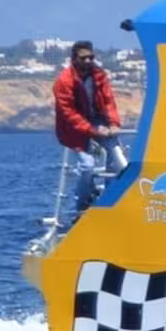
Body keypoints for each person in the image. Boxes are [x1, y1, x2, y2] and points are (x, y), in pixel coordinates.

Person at [53, 40, 126, 217]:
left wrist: (114, 123)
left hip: (97, 120)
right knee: (87, 165)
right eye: (83, 58)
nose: (88, 61)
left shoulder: (98, 75)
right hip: (73, 129)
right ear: (74, 58)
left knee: (116, 155)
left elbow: (108, 100)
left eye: (91, 57)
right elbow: (68, 114)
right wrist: (93, 131)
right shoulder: (64, 81)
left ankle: (109, 197)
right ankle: (83, 203)